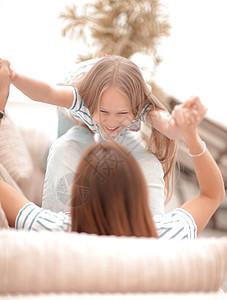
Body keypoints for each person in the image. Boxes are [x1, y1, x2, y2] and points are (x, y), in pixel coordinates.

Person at [0, 66, 225, 238]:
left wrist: (5, 94)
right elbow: (212, 194)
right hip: (79, 109)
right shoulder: (163, 235)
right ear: (139, 193)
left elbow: (10, 197)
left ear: (79, 190)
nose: (111, 120)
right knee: (68, 140)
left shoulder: (54, 230)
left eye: (121, 113)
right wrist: (192, 136)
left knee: (64, 147)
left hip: (101, 114)